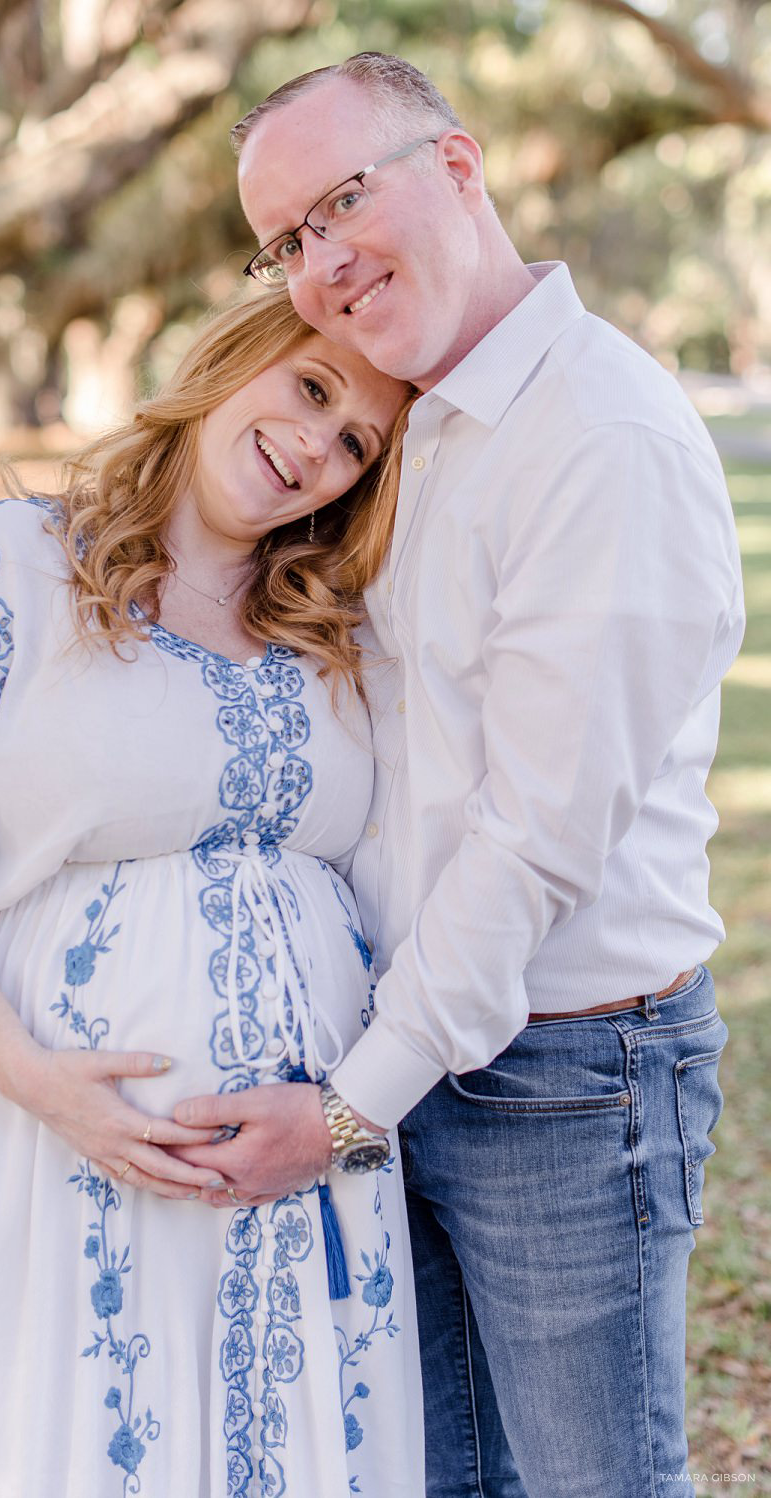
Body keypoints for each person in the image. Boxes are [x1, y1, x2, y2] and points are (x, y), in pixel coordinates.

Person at [166, 54, 747, 1497]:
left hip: (560, 1071)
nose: (323, 260)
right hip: (407, 1047)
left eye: (344, 198)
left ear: (463, 167)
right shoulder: (406, 425)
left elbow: (534, 843)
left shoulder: (598, 437)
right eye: (288, 239)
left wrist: (353, 1102)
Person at [0, 289, 426, 1497]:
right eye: (310, 387)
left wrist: (348, 1100)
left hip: (303, 1169)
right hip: (54, 1141)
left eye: (356, 444)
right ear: (234, 357)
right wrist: (33, 1078)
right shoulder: (5, 565)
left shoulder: (338, 630)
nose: (315, 446)